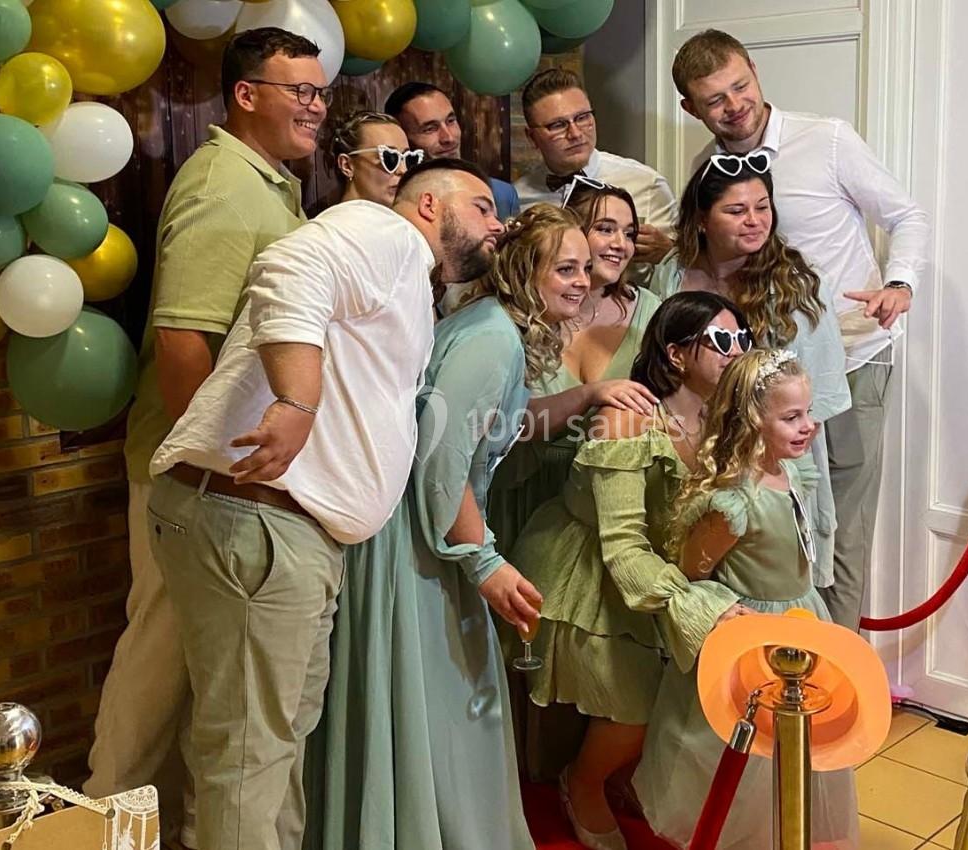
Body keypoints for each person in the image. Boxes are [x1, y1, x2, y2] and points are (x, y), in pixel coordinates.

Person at [143, 158, 504, 850]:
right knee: (250, 756)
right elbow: (289, 270)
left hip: (281, 529)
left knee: (267, 748)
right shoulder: (384, 232)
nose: (498, 224)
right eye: (483, 206)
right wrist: (297, 401)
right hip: (260, 519)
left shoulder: (403, 272)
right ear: (429, 205)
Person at [88, 26, 329, 848]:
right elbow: (183, 339)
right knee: (158, 667)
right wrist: (219, 468)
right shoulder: (225, 184)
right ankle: (101, 824)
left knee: (202, 681)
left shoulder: (271, 183)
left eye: (321, 91)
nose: (316, 105)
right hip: (194, 482)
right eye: (298, 89)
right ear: (245, 94)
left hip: (229, 483)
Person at [317, 204, 589, 850]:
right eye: (566, 268)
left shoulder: (487, 327)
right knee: (450, 706)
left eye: (585, 269)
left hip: (426, 530)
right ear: (527, 270)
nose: (582, 282)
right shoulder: (493, 339)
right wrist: (485, 563)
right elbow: (440, 462)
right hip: (418, 543)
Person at [672, 29, 932, 630]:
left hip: (853, 356)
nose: (733, 104)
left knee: (842, 521)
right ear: (692, 109)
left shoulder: (829, 138)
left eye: (740, 86)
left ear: (756, 71)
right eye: (714, 99)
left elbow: (905, 214)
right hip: (759, 380)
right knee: (777, 517)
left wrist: (901, 283)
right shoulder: (703, 170)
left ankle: (838, 676)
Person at [512, 292, 755, 850]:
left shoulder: (727, 420)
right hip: (587, 568)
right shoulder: (626, 421)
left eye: (743, 338)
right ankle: (585, 782)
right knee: (637, 703)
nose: (737, 351)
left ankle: (613, 775)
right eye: (721, 341)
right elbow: (621, 545)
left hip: (661, 569)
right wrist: (698, 607)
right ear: (675, 354)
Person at [633, 349, 859, 850]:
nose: (809, 427)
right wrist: (725, 616)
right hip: (752, 633)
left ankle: (788, 834)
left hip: (801, 618)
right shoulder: (735, 502)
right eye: (792, 417)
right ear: (754, 420)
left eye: (808, 413)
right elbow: (693, 573)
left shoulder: (791, 472)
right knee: (745, 752)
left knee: (796, 746)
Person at [649, 155, 850, 601]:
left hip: (761, 458)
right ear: (701, 218)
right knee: (692, 570)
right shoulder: (671, 272)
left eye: (763, 207)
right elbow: (658, 361)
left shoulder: (794, 284)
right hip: (683, 442)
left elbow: (811, 396)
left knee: (763, 578)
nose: (755, 221)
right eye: (736, 210)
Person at [486, 182, 660, 558]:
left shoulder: (653, 312)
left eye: (629, 233)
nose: (621, 244)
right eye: (605, 228)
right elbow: (500, 422)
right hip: (518, 494)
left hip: (600, 504)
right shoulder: (517, 317)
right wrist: (588, 395)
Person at [514, 69, 677, 269]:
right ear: (532, 137)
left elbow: (682, 274)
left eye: (582, 118)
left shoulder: (648, 185)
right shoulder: (516, 198)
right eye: (557, 125)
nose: (575, 133)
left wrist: (669, 252)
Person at [384, 81, 520, 220]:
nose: (448, 137)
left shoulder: (501, 195)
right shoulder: (391, 201)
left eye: (450, 121)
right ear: (402, 137)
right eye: (430, 129)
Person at [331, 111, 423, 207]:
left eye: (409, 159)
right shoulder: (327, 222)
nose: (403, 170)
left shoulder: (405, 220)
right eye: (390, 158)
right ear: (347, 165)